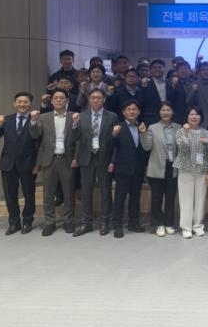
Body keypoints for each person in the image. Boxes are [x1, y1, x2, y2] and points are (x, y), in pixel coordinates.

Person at [28, 90, 80, 236]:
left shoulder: (74, 116)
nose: (58, 100)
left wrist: (76, 124)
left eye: (61, 98)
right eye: (55, 98)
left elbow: (78, 139)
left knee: (68, 192)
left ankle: (68, 221)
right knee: (48, 193)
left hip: (67, 159)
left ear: (67, 100)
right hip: (49, 159)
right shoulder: (43, 117)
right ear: (51, 101)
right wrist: (33, 121)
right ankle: (49, 222)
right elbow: (35, 135)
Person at [72, 88, 119, 237]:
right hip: (87, 158)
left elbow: (116, 142)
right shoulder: (81, 116)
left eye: (99, 97)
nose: (95, 100)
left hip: (104, 158)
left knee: (106, 191)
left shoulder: (112, 116)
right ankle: (86, 222)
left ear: (104, 99)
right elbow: (74, 138)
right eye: (92, 97)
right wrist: (74, 124)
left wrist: (113, 160)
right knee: (86, 192)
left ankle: (105, 221)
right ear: (89, 99)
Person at [0, 92, 39, 235]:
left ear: (30, 104)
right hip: (8, 164)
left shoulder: (36, 119)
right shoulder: (7, 120)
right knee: (10, 195)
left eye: (25, 102)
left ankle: (27, 221)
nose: (22, 104)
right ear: (14, 103)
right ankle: (14, 222)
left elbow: (39, 144)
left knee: (29, 195)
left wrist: (38, 164)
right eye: (19, 101)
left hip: (28, 164)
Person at [174, 106, 208, 239]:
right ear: (187, 117)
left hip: (201, 170)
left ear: (201, 117)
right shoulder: (180, 132)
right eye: (191, 114)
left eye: (197, 114)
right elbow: (183, 149)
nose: (194, 117)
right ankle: (186, 227)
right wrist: (186, 133)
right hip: (185, 170)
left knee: (200, 199)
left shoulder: (206, 133)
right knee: (185, 200)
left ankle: (198, 226)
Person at [108, 100, 148, 238]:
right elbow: (109, 147)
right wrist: (114, 135)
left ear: (139, 112)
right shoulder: (118, 127)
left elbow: (145, 148)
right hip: (122, 169)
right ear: (124, 112)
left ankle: (134, 222)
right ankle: (117, 225)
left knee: (135, 197)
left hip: (138, 169)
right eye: (129, 109)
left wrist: (144, 134)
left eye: (134, 109)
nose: (132, 111)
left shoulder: (142, 127)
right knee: (120, 197)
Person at [141, 101, 181, 237]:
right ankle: (159, 224)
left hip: (173, 167)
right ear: (159, 112)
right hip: (157, 167)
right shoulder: (152, 128)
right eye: (163, 110)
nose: (165, 112)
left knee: (170, 197)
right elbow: (147, 147)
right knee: (157, 198)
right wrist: (143, 134)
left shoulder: (179, 127)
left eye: (168, 110)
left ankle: (169, 223)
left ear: (172, 112)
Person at [187, 61, 208, 132]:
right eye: (203, 70)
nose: (206, 72)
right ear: (199, 72)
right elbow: (188, 103)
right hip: (201, 122)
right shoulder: (194, 84)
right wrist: (193, 92)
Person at [140, 59, 174, 126]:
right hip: (151, 119)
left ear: (164, 69)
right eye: (154, 68)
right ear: (150, 70)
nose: (157, 69)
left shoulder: (170, 83)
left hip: (168, 118)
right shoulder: (145, 83)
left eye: (160, 67)